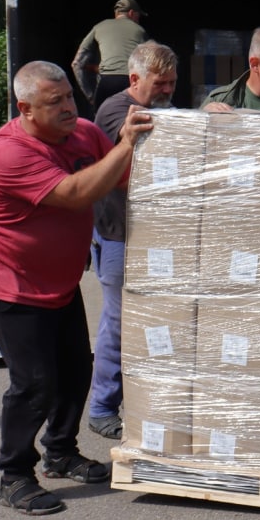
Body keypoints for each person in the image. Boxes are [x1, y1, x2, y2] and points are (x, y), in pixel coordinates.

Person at [0, 60, 154, 515]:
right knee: (35, 384)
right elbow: (74, 193)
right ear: (26, 108)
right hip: (10, 284)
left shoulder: (85, 135)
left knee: (75, 373)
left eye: (70, 96)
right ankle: (14, 475)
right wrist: (125, 144)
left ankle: (61, 452)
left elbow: (120, 175)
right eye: (56, 102)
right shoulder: (5, 153)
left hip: (58, 282)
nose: (70, 107)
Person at [86, 41, 179, 440]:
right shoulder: (114, 112)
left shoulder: (166, 112)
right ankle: (102, 406)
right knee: (121, 322)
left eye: (173, 83)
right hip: (120, 233)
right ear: (135, 78)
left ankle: (144, 403)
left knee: (156, 322)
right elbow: (125, 169)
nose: (167, 90)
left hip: (157, 235)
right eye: (160, 83)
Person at [72, 0, 148, 112]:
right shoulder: (140, 30)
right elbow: (149, 61)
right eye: (138, 16)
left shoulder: (99, 27)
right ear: (132, 13)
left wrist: (91, 96)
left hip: (106, 83)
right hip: (131, 82)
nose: (138, 20)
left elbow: (76, 63)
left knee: (100, 124)